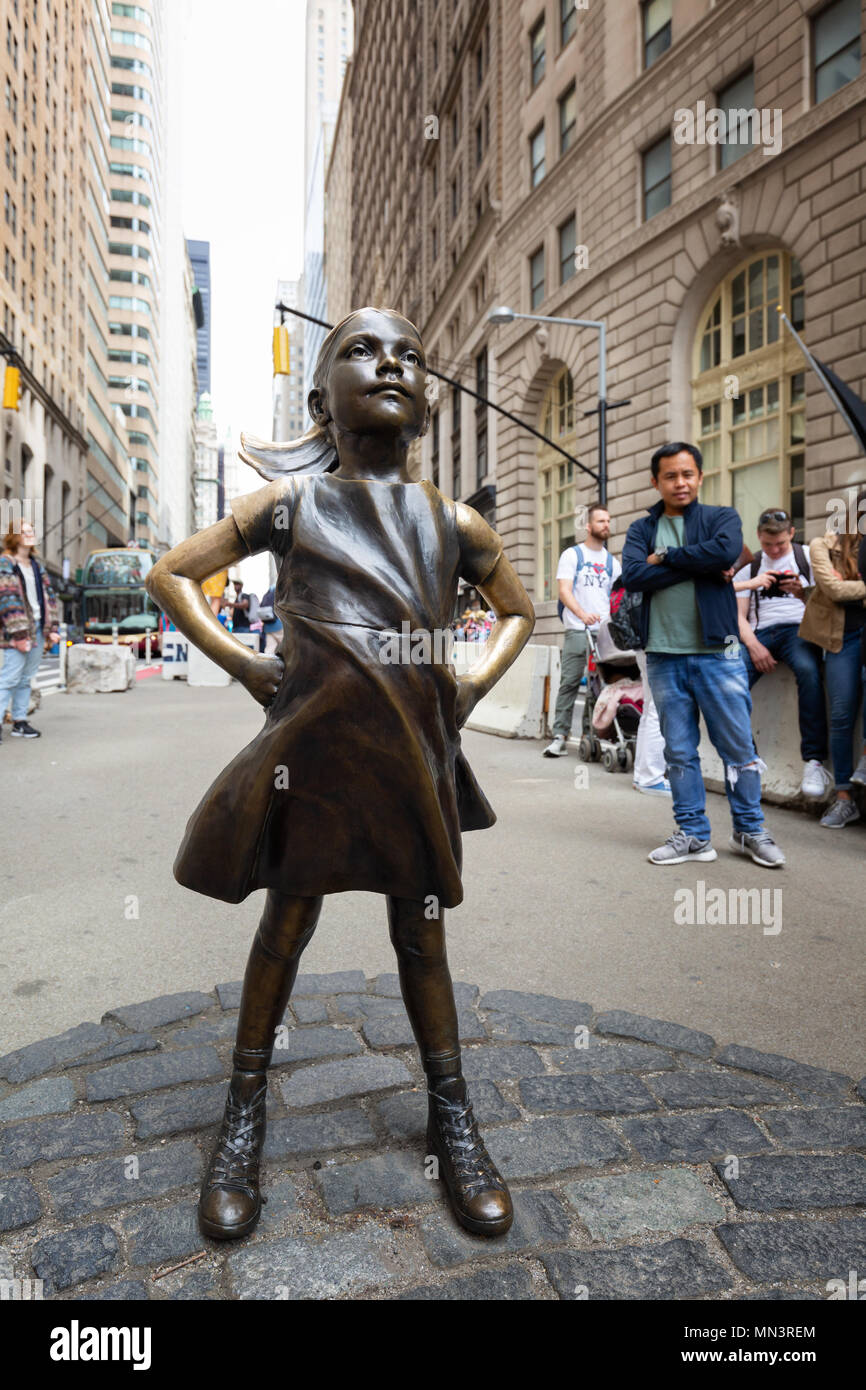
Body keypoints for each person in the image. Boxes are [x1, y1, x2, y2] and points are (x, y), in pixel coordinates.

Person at [146, 306, 535, 1244]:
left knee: (422, 931)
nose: (390, 364)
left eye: (408, 354)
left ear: (429, 397)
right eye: (362, 350)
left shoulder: (453, 519)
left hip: (414, 752)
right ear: (322, 396)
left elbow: (518, 612)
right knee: (286, 920)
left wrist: (472, 686)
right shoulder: (294, 507)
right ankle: (243, 1114)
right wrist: (245, 665)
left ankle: (453, 1114)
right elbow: (171, 575)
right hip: (310, 759)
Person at [622, 442, 785, 868]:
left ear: (699, 476)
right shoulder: (642, 530)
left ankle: (750, 829)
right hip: (662, 655)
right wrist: (700, 565)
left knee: (738, 746)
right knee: (678, 751)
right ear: (655, 481)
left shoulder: (721, 518)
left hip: (720, 652)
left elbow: (724, 551)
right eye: (671, 476)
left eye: (688, 474)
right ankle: (693, 835)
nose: (681, 482)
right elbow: (635, 575)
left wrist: (669, 558)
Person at [734, 508, 830, 799]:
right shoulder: (749, 569)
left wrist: (802, 592)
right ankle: (746, 756)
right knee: (730, 678)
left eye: (780, 544)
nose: (774, 550)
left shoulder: (808, 558)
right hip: (760, 632)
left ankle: (813, 760)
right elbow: (738, 618)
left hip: (798, 630)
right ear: (759, 538)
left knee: (808, 671)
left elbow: (828, 605)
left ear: (792, 533)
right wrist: (753, 645)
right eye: (767, 544)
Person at [799, 495, 866, 828]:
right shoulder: (820, 547)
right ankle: (843, 797)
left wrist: (855, 586)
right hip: (843, 639)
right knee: (840, 715)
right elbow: (834, 590)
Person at [543, 503, 620, 757]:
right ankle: (560, 735)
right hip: (578, 629)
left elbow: (616, 598)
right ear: (588, 526)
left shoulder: (613, 563)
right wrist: (582, 615)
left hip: (604, 634)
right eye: (601, 521)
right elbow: (564, 591)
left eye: (608, 521)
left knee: (598, 687)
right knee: (570, 682)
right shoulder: (573, 555)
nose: (606, 525)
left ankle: (590, 736)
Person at [0, 520, 60, 742]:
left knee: (26, 679)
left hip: (37, 629)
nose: (30, 534)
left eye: (32, 531)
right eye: (25, 532)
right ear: (14, 536)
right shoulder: (6, 563)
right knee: (9, 678)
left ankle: (19, 721)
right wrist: (18, 634)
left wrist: (52, 627)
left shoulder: (36, 566)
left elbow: (49, 598)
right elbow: (6, 599)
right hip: (17, 631)